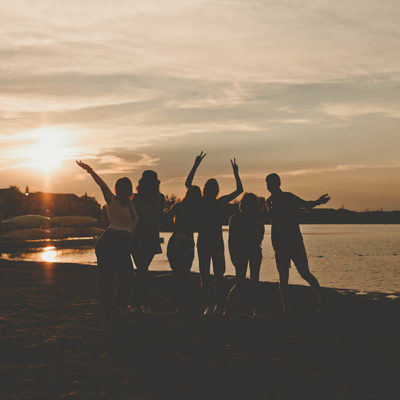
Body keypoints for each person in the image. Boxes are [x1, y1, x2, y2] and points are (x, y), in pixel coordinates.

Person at [76, 161, 140, 320]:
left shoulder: (133, 206)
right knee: (108, 277)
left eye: (126, 188)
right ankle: (109, 307)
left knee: (127, 276)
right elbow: (102, 185)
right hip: (110, 242)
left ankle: (118, 307)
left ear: (129, 190)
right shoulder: (112, 201)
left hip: (124, 244)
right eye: (121, 188)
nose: (123, 190)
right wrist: (90, 170)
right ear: (117, 190)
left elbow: (135, 226)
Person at [186, 151, 243, 316]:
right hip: (207, 241)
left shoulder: (217, 202)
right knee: (211, 276)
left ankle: (216, 305)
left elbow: (239, 189)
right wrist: (196, 164)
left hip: (213, 242)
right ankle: (212, 305)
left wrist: (236, 172)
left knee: (215, 275)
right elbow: (189, 185)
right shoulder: (206, 201)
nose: (212, 190)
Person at [265, 173, 330, 314]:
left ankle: (321, 300)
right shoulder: (268, 202)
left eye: (270, 183)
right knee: (283, 277)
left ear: (278, 183)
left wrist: (318, 202)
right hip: (280, 245)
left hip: (294, 242)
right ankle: (286, 308)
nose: (269, 186)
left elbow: (306, 204)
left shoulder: (288, 197)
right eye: (268, 183)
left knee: (304, 273)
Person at [131, 170, 165, 314]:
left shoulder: (138, 198)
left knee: (141, 270)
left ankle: (141, 302)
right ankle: (143, 303)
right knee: (142, 269)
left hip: (144, 237)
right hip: (142, 237)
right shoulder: (156, 198)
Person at [165, 185, 202, 315]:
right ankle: (182, 305)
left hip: (176, 241)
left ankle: (180, 304)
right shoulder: (196, 210)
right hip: (185, 243)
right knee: (184, 274)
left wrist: (174, 226)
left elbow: (166, 217)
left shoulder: (179, 206)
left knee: (179, 275)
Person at [226, 193, 265, 318]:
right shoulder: (255, 218)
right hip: (251, 251)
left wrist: (232, 254)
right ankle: (255, 310)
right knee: (252, 281)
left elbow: (231, 239)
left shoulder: (236, 217)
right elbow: (261, 233)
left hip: (244, 251)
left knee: (240, 282)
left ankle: (231, 308)